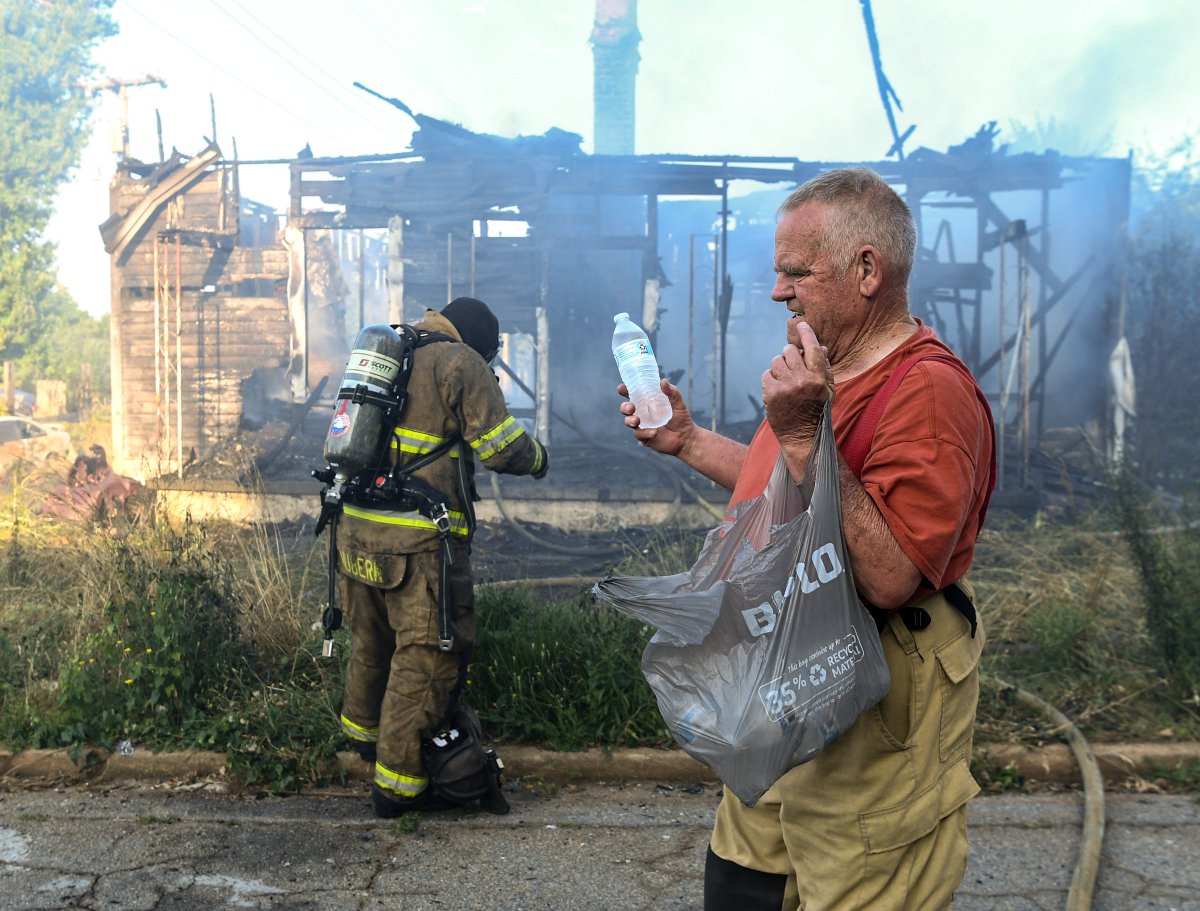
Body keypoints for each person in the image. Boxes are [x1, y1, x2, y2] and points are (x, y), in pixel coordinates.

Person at [617, 167, 995, 910]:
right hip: (783, 670)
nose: (777, 291)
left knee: (858, 878)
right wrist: (690, 440)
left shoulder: (928, 393)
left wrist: (806, 431)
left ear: (865, 270)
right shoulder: (825, 369)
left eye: (795, 272)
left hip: (872, 684)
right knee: (746, 881)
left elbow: (888, 573)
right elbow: (780, 486)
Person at [333, 296, 549, 819]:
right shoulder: (460, 363)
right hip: (417, 545)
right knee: (426, 658)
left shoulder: (391, 350)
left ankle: (363, 745)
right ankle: (398, 786)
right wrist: (540, 458)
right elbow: (500, 447)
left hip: (355, 532)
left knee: (371, 640)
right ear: (483, 345)